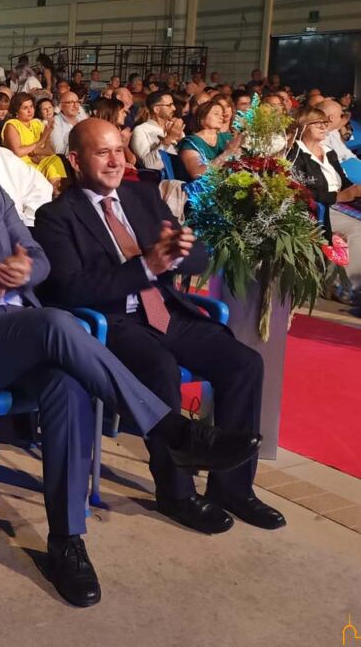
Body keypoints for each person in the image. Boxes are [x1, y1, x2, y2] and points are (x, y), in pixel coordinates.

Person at [0, 114, 259, 607]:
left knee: (64, 381)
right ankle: (170, 431)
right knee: (59, 323)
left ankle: (66, 541)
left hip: (25, 334)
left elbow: (39, 257)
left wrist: (22, 270)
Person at [34, 118, 284, 535]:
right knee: (160, 368)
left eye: (119, 150)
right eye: (103, 152)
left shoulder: (142, 196)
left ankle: (233, 487)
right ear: (76, 161)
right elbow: (71, 289)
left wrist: (181, 252)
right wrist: (146, 265)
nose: (116, 161)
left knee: (244, 364)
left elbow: (198, 257)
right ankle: (177, 492)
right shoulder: (57, 216)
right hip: (112, 321)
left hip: (167, 311)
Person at [287, 107, 361, 301]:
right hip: (316, 208)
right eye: (317, 123)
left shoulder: (329, 153)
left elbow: (344, 184)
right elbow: (298, 192)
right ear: (303, 125)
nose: (323, 126)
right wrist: (339, 197)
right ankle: (344, 287)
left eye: (324, 123)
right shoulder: (295, 154)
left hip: (339, 205)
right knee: (358, 229)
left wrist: (355, 191)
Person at [2, 93, 67, 190]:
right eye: (25, 108)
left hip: (39, 162)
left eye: (31, 106)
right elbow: (18, 152)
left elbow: (50, 151)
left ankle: (53, 191)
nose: (30, 110)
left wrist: (34, 151)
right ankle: (52, 194)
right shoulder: (12, 125)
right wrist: (40, 142)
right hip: (22, 166)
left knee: (55, 159)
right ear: (16, 111)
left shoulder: (36, 123)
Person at [177, 100, 242, 180]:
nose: (221, 117)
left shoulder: (227, 138)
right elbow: (197, 173)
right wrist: (227, 153)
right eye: (216, 114)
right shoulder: (191, 143)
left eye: (221, 114)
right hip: (200, 189)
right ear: (202, 118)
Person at [130, 90, 184, 170]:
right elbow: (148, 164)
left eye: (173, 104)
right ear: (156, 109)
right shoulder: (141, 130)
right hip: (158, 179)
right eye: (169, 105)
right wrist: (168, 139)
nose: (174, 108)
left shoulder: (174, 127)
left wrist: (181, 142)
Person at [50, 91, 87, 156]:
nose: (75, 106)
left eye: (77, 102)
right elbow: (59, 151)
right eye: (71, 103)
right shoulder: (56, 121)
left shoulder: (82, 119)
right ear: (61, 105)